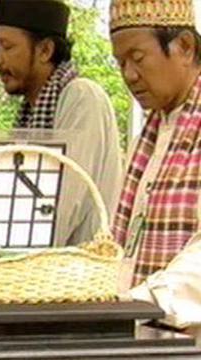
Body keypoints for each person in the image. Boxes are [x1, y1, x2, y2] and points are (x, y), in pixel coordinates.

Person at [0, 0, 124, 246]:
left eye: (7, 47)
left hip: (75, 274)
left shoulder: (81, 97)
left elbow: (61, 205)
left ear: (45, 51)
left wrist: (10, 257)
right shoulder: (30, 112)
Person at [109, 0, 201, 338]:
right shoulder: (146, 139)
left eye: (137, 58)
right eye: (120, 63)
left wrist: (139, 300)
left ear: (185, 47)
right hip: (139, 334)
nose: (129, 75)